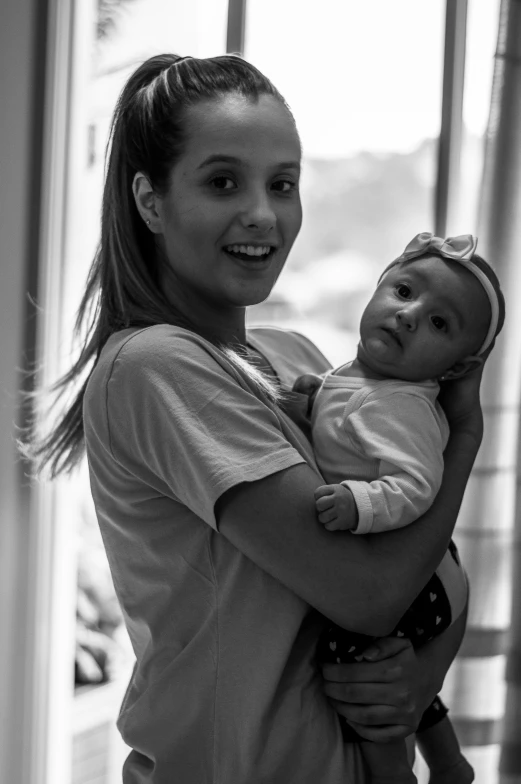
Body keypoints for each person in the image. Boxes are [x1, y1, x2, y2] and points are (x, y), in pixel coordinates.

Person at [24, 54, 487, 784]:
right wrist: (463, 436)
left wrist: (418, 674)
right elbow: (372, 596)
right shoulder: (154, 366)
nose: (262, 215)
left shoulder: (295, 353)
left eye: (282, 184)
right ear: (150, 201)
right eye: (222, 182)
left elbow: (434, 566)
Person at [294, 233, 505, 783]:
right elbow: (345, 418)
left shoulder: (400, 405)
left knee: (357, 661)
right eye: (404, 291)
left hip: (415, 578)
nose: (410, 316)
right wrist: (310, 400)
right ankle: (449, 763)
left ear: (455, 371)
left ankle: (392, 773)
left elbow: (415, 485)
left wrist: (359, 502)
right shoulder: (367, 381)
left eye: (440, 324)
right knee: (396, 663)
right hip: (427, 572)